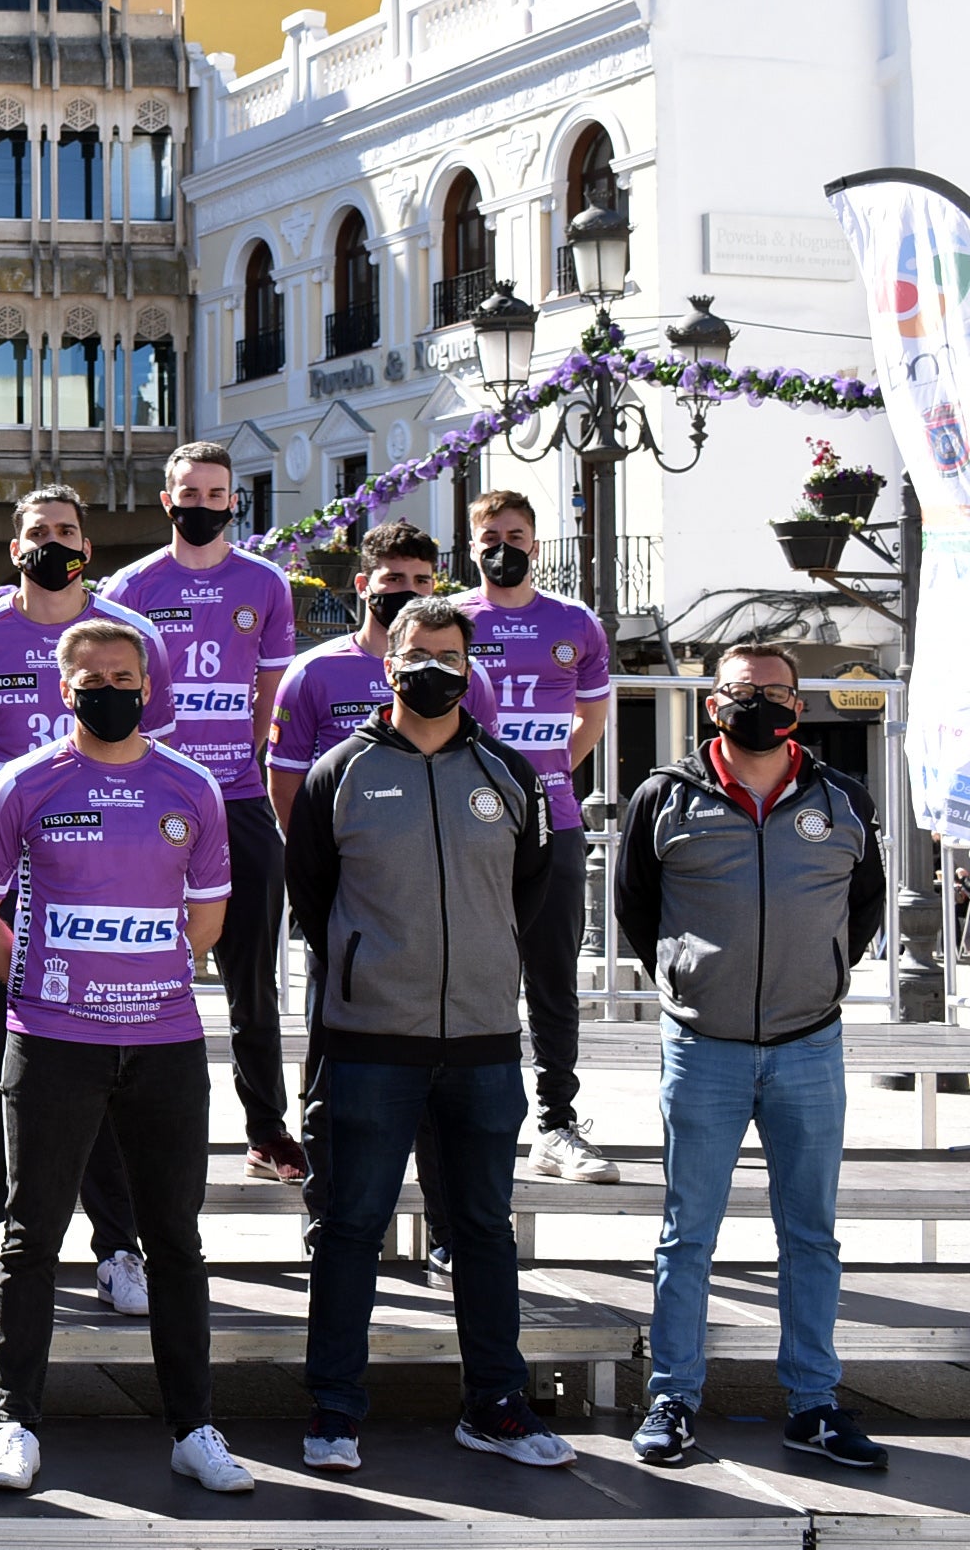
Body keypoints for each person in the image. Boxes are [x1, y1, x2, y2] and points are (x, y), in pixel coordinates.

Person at [0, 620, 249, 1496]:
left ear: (149, 687)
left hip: (162, 1045)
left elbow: (206, 922)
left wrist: (135, 978)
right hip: (51, 1043)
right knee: (31, 1237)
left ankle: (195, 1429)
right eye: (92, 676)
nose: (110, 688)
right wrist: (44, 980)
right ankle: (15, 1425)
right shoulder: (21, 783)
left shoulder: (190, 785)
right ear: (64, 688)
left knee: (176, 1241)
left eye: (125, 675)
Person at [285, 596, 571, 1474]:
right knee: (351, 1227)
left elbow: (525, 897)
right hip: (373, 1041)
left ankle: (495, 1404)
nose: (433, 670)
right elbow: (313, 898)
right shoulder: (339, 773)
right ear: (390, 662)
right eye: (418, 654)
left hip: (483, 1043)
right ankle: (335, 1411)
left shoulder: (512, 777)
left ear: (470, 665)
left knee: (485, 1230)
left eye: (449, 656)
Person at [618, 642, 889, 1471]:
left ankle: (812, 1402)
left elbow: (865, 906)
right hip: (704, 1049)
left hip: (809, 1047)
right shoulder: (665, 796)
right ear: (713, 704)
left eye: (775, 691)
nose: (757, 703)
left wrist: (822, 975)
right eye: (741, 690)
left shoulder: (842, 797)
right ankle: (673, 1398)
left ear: (799, 707)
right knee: (686, 1235)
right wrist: (694, 980)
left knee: (810, 1236)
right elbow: (637, 907)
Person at [0, 486, 172, 1315]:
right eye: (37, 532)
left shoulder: (133, 642)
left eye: (66, 529)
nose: (51, 542)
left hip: (100, 893)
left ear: (87, 544)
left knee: (108, 1071)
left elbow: (148, 760)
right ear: (15, 544)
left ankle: (117, 1248)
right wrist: (1, 837)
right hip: (0, 890)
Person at [103, 443, 304, 1183]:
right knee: (142, 971)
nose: (203, 503)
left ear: (232, 503)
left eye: (216, 493)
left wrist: (235, 768)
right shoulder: (131, 586)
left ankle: (266, 1128)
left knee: (253, 981)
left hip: (238, 802)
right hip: (151, 808)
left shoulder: (265, 584)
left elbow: (270, 694)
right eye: (189, 491)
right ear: (167, 500)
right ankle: (128, 1127)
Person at [462, 490, 620, 1185]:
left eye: (517, 534)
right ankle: (474, 1119)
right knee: (474, 977)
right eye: (491, 534)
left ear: (536, 541)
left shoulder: (575, 623)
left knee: (552, 980)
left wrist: (542, 776)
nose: (505, 545)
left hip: (553, 824)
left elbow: (591, 719)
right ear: (472, 546)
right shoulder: (451, 621)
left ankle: (556, 1124)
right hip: (470, 831)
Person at [266, 520, 499, 829]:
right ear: (363, 586)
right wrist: (314, 861)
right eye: (394, 578)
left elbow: (488, 769)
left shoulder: (468, 674)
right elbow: (285, 784)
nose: (410, 592)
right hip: (346, 861)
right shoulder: (311, 671)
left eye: (421, 581)